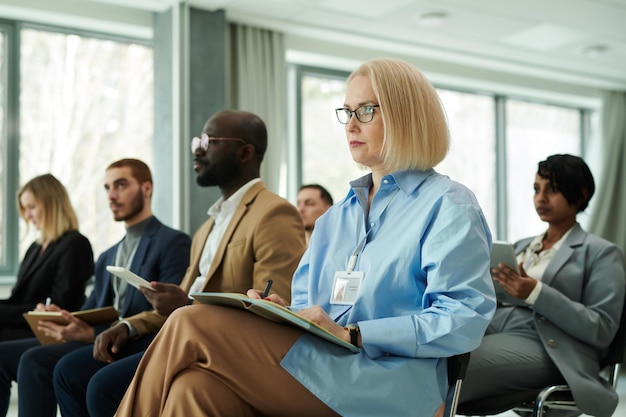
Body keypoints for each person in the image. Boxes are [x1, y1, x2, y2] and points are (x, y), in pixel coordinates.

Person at [113, 58, 496, 417]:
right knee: (193, 388)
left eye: (366, 110)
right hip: (321, 363)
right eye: (347, 112)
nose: (350, 125)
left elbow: (464, 317)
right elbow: (308, 309)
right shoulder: (335, 219)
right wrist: (280, 312)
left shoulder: (448, 204)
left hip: (392, 383)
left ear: (406, 116)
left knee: (189, 322)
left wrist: (356, 333)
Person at [53, 110, 307, 417]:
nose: (197, 149)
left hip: (220, 347)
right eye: (197, 141)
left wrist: (184, 302)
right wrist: (129, 326)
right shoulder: (207, 229)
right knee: (69, 372)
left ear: (245, 152)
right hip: (179, 333)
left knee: (102, 387)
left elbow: (274, 309)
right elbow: (177, 305)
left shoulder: (274, 212)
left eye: (209, 141)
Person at [0, 159, 191, 417]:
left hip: (140, 341)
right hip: (104, 337)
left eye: (121, 185)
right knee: (35, 359)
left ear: (147, 188)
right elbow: (89, 311)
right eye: (107, 188)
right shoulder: (108, 255)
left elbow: (173, 312)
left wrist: (93, 333)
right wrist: (67, 320)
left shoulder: (173, 242)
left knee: (44, 362)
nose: (111, 195)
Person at [459, 154, 626, 417]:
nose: (541, 198)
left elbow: (602, 328)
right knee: (426, 356)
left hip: (549, 344)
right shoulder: (521, 246)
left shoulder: (601, 253)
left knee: (453, 369)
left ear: (581, 194)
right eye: (537, 189)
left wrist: (536, 292)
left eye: (553, 190)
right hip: (493, 326)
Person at [0, 174, 94, 342]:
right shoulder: (35, 247)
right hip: (23, 325)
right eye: (25, 209)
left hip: (48, 331)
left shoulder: (76, 244)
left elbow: (59, 305)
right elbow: (17, 299)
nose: (27, 216)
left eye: (31, 207)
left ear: (52, 205)